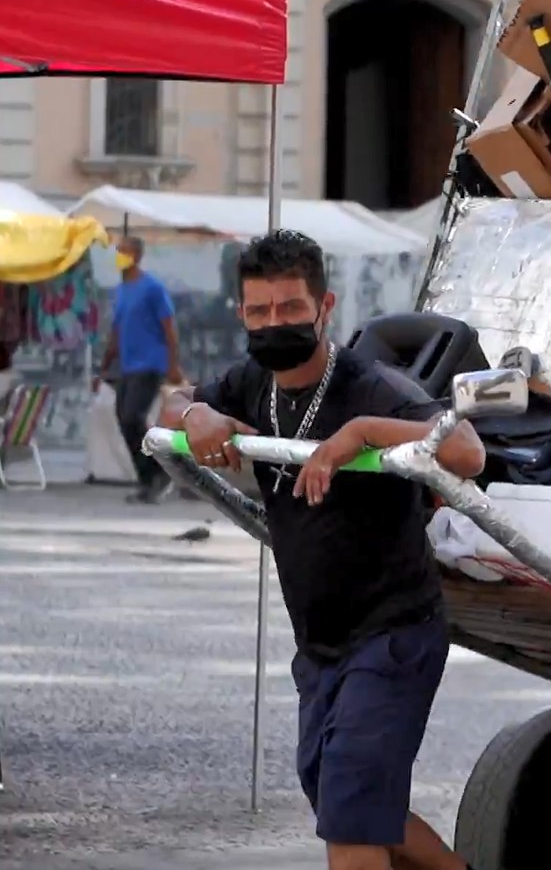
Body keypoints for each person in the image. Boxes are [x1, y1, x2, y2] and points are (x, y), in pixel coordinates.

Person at [159, 231, 485, 870]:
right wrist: (194, 415)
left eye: (289, 310)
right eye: (259, 312)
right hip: (320, 647)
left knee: (351, 811)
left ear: (324, 307)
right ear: (242, 315)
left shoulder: (369, 387)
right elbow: (176, 403)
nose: (274, 324)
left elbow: (467, 450)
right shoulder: (252, 381)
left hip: (393, 636)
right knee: (339, 796)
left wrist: (357, 435)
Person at [100, 236, 183, 503]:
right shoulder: (122, 289)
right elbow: (117, 330)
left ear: (136, 255)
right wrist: (104, 366)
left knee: (132, 416)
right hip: (128, 365)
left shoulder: (152, 288)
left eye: (124, 251)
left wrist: (173, 364)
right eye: (118, 251)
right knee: (124, 420)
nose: (119, 255)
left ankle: (161, 472)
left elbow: (170, 328)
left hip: (150, 363)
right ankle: (149, 478)